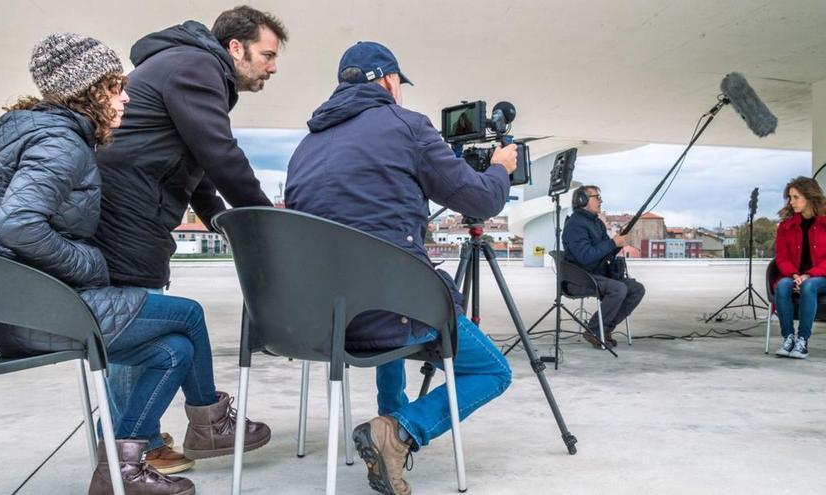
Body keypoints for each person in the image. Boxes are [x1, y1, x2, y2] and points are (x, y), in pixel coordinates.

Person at [0, 33, 245, 494]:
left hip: (26, 308)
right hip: (35, 309)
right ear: (91, 91)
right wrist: (89, 264)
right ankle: (211, 423)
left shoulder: (52, 135)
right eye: (117, 87)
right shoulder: (61, 143)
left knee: (173, 350)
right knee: (189, 315)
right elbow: (17, 223)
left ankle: (122, 469)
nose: (126, 98)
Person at [285, 41, 514, 495]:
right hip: (390, 308)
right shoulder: (407, 126)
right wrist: (500, 169)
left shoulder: (305, 146)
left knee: (385, 286)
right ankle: (402, 429)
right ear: (389, 81)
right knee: (492, 370)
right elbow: (481, 199)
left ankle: (386, 425)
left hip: (326, 320)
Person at [91, 5, 288, 464]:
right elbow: (221, 154)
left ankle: (136, 443)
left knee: (136, 334)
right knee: (130, 334)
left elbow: (197, 170)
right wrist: (265, 221)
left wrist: (225, 223)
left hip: (129, 214)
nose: (272, 67)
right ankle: (129, 449)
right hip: (127, 219)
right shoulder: (197, 67)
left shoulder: (184, 66)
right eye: (268, 54)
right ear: (235, 47)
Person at [562, 185, 645, 347]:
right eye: (596, 197)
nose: (601, 201)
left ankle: (605, 328)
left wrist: (616, 245)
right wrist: (612, 242)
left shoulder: (597, 224)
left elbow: (603, 253)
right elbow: (586, 256)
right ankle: (594, 330)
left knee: (636, 289)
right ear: (583, 200)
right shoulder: (575, 225)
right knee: (618, 289)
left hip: (598, 274)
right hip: (580, 278)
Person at [773, 176, 826, 359]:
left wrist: (808, 276)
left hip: (821, 276)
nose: (791, 202)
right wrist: (795, 274)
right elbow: (781, 256)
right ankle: (788, 338)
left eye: (796, 197)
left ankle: (803, 341)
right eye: (789, 197)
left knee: (809, 286)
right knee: (782, 285)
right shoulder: (786, 226)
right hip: (794, 274)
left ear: (809, 197)